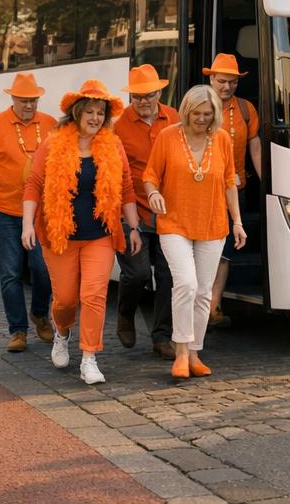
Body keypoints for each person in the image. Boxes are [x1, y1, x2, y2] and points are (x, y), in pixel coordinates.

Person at [22, 79, 142, 386]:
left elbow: (126, 187)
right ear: (76, 112)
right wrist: (26, 224)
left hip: (100, 235)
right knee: (64, 300)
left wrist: (133, 227)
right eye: (89, 111)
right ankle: (61, 332)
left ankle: (89, 357)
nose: (95, 118)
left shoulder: (112, 144)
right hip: (59, 235)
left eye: (100, 113)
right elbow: (34, 184)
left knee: (93, 295)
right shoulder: (53, 142)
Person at [143, 85, 245, 379]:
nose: (201, 119)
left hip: (213, 224)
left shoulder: (222, 139)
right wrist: (153, 195)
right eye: (196, 113)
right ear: (186, 111)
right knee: (185, 283)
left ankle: (195, 352)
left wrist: (237, 222)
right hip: (174, 222)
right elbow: (150, 176)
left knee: (203, 292)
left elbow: (229, 182)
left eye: (207, 114)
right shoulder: (168, 136)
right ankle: (181, 352)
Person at [0, 73, 56, 352]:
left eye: (33, 100)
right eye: (23, 100)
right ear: (12, 99)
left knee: (42, 270)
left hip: (42, 213)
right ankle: (17, 330)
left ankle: (40, 314)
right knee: (9, 273)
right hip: (5, 212)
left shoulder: (51, 124)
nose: (29, 105)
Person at [113, 64, 179, 359]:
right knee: (138, 273)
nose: (142, 102)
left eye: (148, 95)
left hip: (168, 212)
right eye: (137, 97)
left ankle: (162, 336)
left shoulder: (175, 119)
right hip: (132, 212)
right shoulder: (118, 126)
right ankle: (126, 313)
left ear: (159, 93)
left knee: (168, 275)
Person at [203, 53, 261, 326]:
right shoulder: (200, 107)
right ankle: (201, 304)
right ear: (211, 79)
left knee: (225, 250)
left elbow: (255, 146)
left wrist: (266, 182)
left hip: (236, 188)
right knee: (205, 247)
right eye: (222, 81)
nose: (227, 87)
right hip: (203, 189)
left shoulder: (247, 109)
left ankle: (215, 306)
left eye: (233, 83)